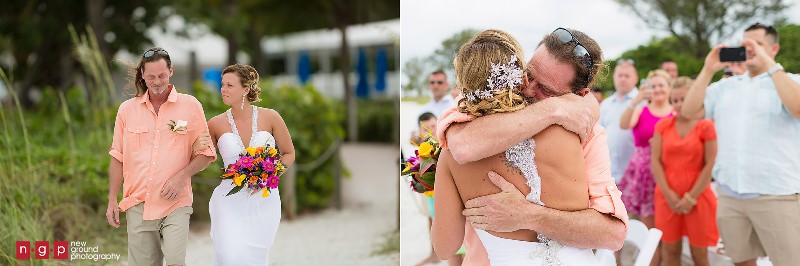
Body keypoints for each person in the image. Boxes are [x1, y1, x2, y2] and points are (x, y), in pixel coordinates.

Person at [436, 27, 628, 265]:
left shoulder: (587, 135)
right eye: (529, 74)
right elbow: (462, 146)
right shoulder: (470, 118)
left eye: (545, 90)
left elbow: (613, 235)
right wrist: (551, 108)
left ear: (578, 96)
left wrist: (530, 216)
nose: (526, 88)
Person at [682, 23, 800, 266]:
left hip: (776, 195)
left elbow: (798, 108)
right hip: (730, 195)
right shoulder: (726, 86)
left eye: (757, 44)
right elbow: (689, 111)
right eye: (746, 44)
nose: (750, 49)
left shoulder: (789, 80)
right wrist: (707, 69)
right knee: (741, 261)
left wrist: (769, 65)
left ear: (774, 48)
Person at [106, 47, 217, 266]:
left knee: (176, 260)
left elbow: (206, 154)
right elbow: (117, 157)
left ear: (171, 72)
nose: (157, 82)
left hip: (176, 202)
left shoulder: (191, 106)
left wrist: (181, 176)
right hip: (137, 203)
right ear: (143, 76)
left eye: (162, 76)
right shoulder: (126, 110)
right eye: (151, 77)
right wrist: (112, 199)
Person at [205, 64, 296, 265]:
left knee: (255, 258)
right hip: (228, 201)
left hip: (264, 201)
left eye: (229, 85)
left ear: (246, 89)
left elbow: (288, 153)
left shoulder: (271, 117)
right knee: (229, 255)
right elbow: (203, 157)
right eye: (222, 85)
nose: (223, 89)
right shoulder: (215, 124)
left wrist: (268, 176)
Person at [651, 77, 719, 266]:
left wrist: (691, 197)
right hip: (667, 196)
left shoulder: (706, 126)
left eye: (684, 99)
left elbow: (710, 163)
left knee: (700, 254)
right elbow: (655, 161)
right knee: (670, 252)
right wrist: (669, 194)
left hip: (698, 197)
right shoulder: (663, 126)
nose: (680, 104)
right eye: (675, 100)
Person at [618, 69, 673, 266]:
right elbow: (623, 124)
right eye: (653, 85)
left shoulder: (675, 114)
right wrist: (636, 100)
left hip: (666, 174)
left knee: (667, 232)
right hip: (642, 175)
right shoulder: (642, 110)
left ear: (669, 88)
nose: (657, 89)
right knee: (649, 231)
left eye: (661, 85)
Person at [600, 60, 639, 184]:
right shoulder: (606, 104)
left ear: (635, 79)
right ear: (614, 77)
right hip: (609, 175)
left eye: (627, 76)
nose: (623, 79)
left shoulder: (643, 102)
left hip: (636, 175)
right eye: (619, 75)